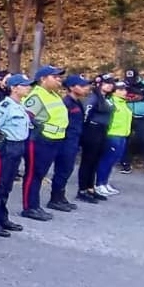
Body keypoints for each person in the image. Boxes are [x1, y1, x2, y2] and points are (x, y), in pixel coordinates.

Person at [0, 74, 33, 237]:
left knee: (7, 186)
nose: (28, 88)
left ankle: (2, 217)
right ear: (14, 88)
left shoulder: (19, 105)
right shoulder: (4, 106)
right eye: (24, 85)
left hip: (18, 147)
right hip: (4, 148)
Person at [21, 65, 68, 221]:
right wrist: (37, 130)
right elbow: (26, 117)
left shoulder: (53, 95)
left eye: (59, 77)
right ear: (43, 79)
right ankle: (30, 207)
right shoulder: (37, 96)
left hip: (54, 139)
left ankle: (35, 205)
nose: (59, 80)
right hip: (39, 140)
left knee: (40, 175)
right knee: (33, 174)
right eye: (55, 77)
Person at [52, 74, 92, 210]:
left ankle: (61, 196)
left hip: (74, 140)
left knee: (68, 169)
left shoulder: (77, 102)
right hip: (66, 141)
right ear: (71, 87)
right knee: (62, 170)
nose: (86, 88)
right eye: (82, 86)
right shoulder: (66, 103)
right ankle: (55, 198)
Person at [77, 74, 116, 203]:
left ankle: (90, 188)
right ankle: (82, 190)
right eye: (106, 83)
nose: (110, 85)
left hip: (102, 130)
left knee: (95, 161)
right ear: (99, 84)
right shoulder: (93, 98)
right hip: (92, 130)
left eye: (111, 83)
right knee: (88, 161)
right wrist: (84, 132)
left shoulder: (107, 98)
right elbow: (86, 115)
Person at [95, 81, 132, 195]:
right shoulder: (111, 102)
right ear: (114, 92)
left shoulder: (123, 103)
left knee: (113, 161)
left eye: (124, 89)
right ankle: (99, 184)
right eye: (120, 89)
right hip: (112, 135)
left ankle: (105, 183)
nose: (124, 91)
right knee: (107, 160)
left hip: (122, 135)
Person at [122, 68, 144, 176]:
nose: (131, 81)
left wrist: (142, 98)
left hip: (142, 117)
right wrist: (126, 98)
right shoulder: (122, 85)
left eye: (133, 79)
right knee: (125, 139)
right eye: (128, 79)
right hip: (126, 116)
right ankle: (125, 164)